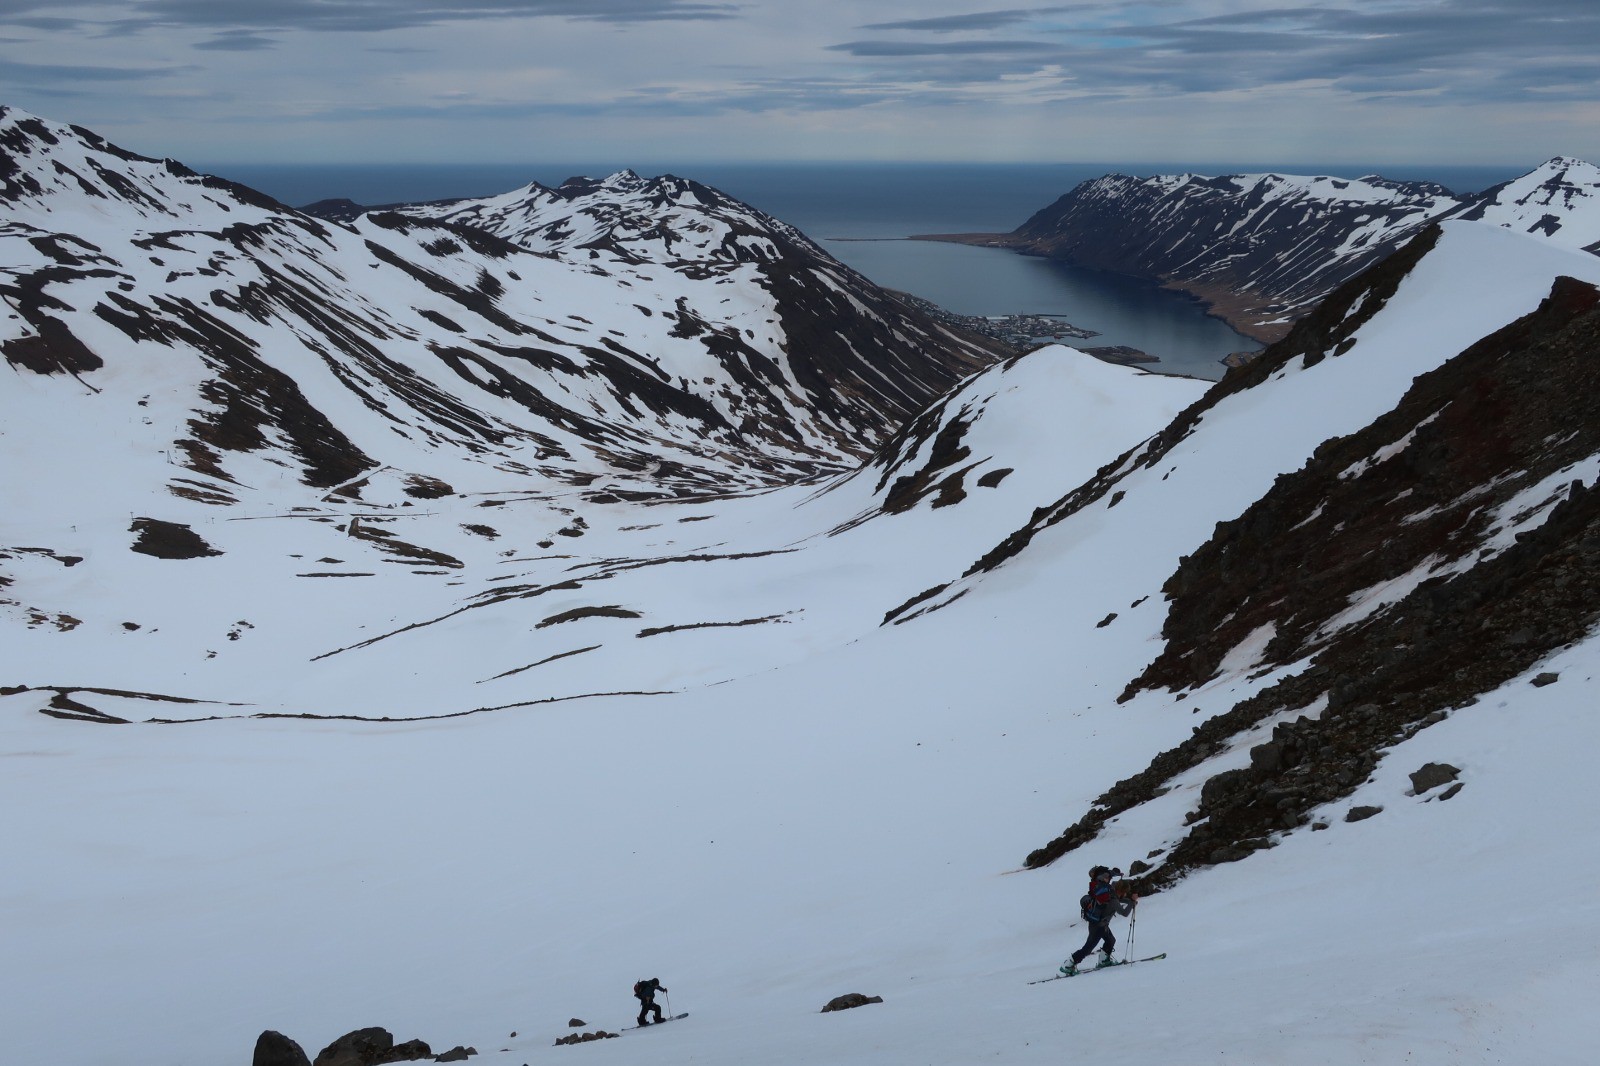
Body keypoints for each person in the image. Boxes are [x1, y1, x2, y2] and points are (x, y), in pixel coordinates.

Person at [1060, 865, 1137, 975]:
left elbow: (1119, 899)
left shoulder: (1111, 891)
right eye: (1125, 892)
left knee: (1110, 940)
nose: (1125, 894)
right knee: (1088, 948)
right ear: (1122, 891)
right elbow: (1124, 913)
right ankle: (1068, 965)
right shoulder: (1113, 898)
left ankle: (1104, 961)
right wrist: (1132, 903)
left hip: (1101, 924)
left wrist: (1130, 901)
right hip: (1098, 926)